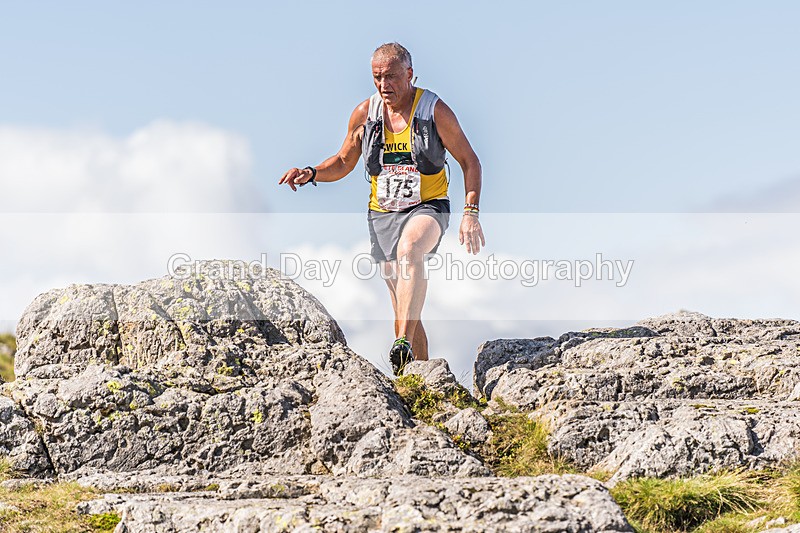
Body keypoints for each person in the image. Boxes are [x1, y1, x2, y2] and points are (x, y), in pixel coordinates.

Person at [280, 42, 484, 376]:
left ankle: (400, 343)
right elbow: (344, 161)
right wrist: (312, 172)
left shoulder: (434, 111)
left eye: (390, 77)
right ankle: (420, 376)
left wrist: (470, 213)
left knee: (410, 251)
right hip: (382, 214)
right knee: (404, 303)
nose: (383, 85)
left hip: (428, 206)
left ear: (409, 74)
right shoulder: (365, 113)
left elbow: (469, 160)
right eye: (377, 77)